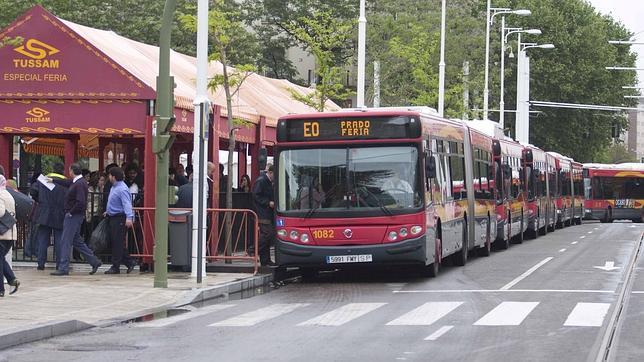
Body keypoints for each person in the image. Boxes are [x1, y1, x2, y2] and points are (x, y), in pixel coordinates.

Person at [50, 163, 102, 276]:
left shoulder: (79, 184)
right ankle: (94, 261)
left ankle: (63, 267)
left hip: (73, 216)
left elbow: (81, 202)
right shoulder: (79, 182)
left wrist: (70, 212)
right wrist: (53, 180)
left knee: (65, 240)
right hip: (76, 215)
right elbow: (67, 183)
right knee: (76, 241)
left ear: (72, 171)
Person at [30, 162, 67, 270]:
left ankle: (41, 263)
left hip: (44, 212)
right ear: (62, 171)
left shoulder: (43, 179)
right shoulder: (65, 182)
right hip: (60, 213)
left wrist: (40, 201)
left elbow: (33, 191)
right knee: (59, 239)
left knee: (43, 239)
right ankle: (59, 264)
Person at [104, 167, 136, 274]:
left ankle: (116, 266)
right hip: (113, 217)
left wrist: (129, 217)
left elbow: (127, 204)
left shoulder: (122, 189)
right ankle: (129, 262)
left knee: (117, 242)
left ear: (113, 177)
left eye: (109, 175)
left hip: (120, 218)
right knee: (116, 242)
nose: (108, 177)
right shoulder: (114, 187)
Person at [252, 164, 276, 266]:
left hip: (267, 212)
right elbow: (256, 195)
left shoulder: (268, 181)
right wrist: (268, 202)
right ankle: (253, 249)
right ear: (270, 173)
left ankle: (265, 260)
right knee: (267, 234)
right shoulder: (261, 181)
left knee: (268, 235)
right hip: (262, 212)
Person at [0, 175, 20, 297]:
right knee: (1, 258)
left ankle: (0, 289)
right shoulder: (8, 194)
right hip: (10, 233)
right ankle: (12, 280)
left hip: (2, 233)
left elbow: (1, 212)